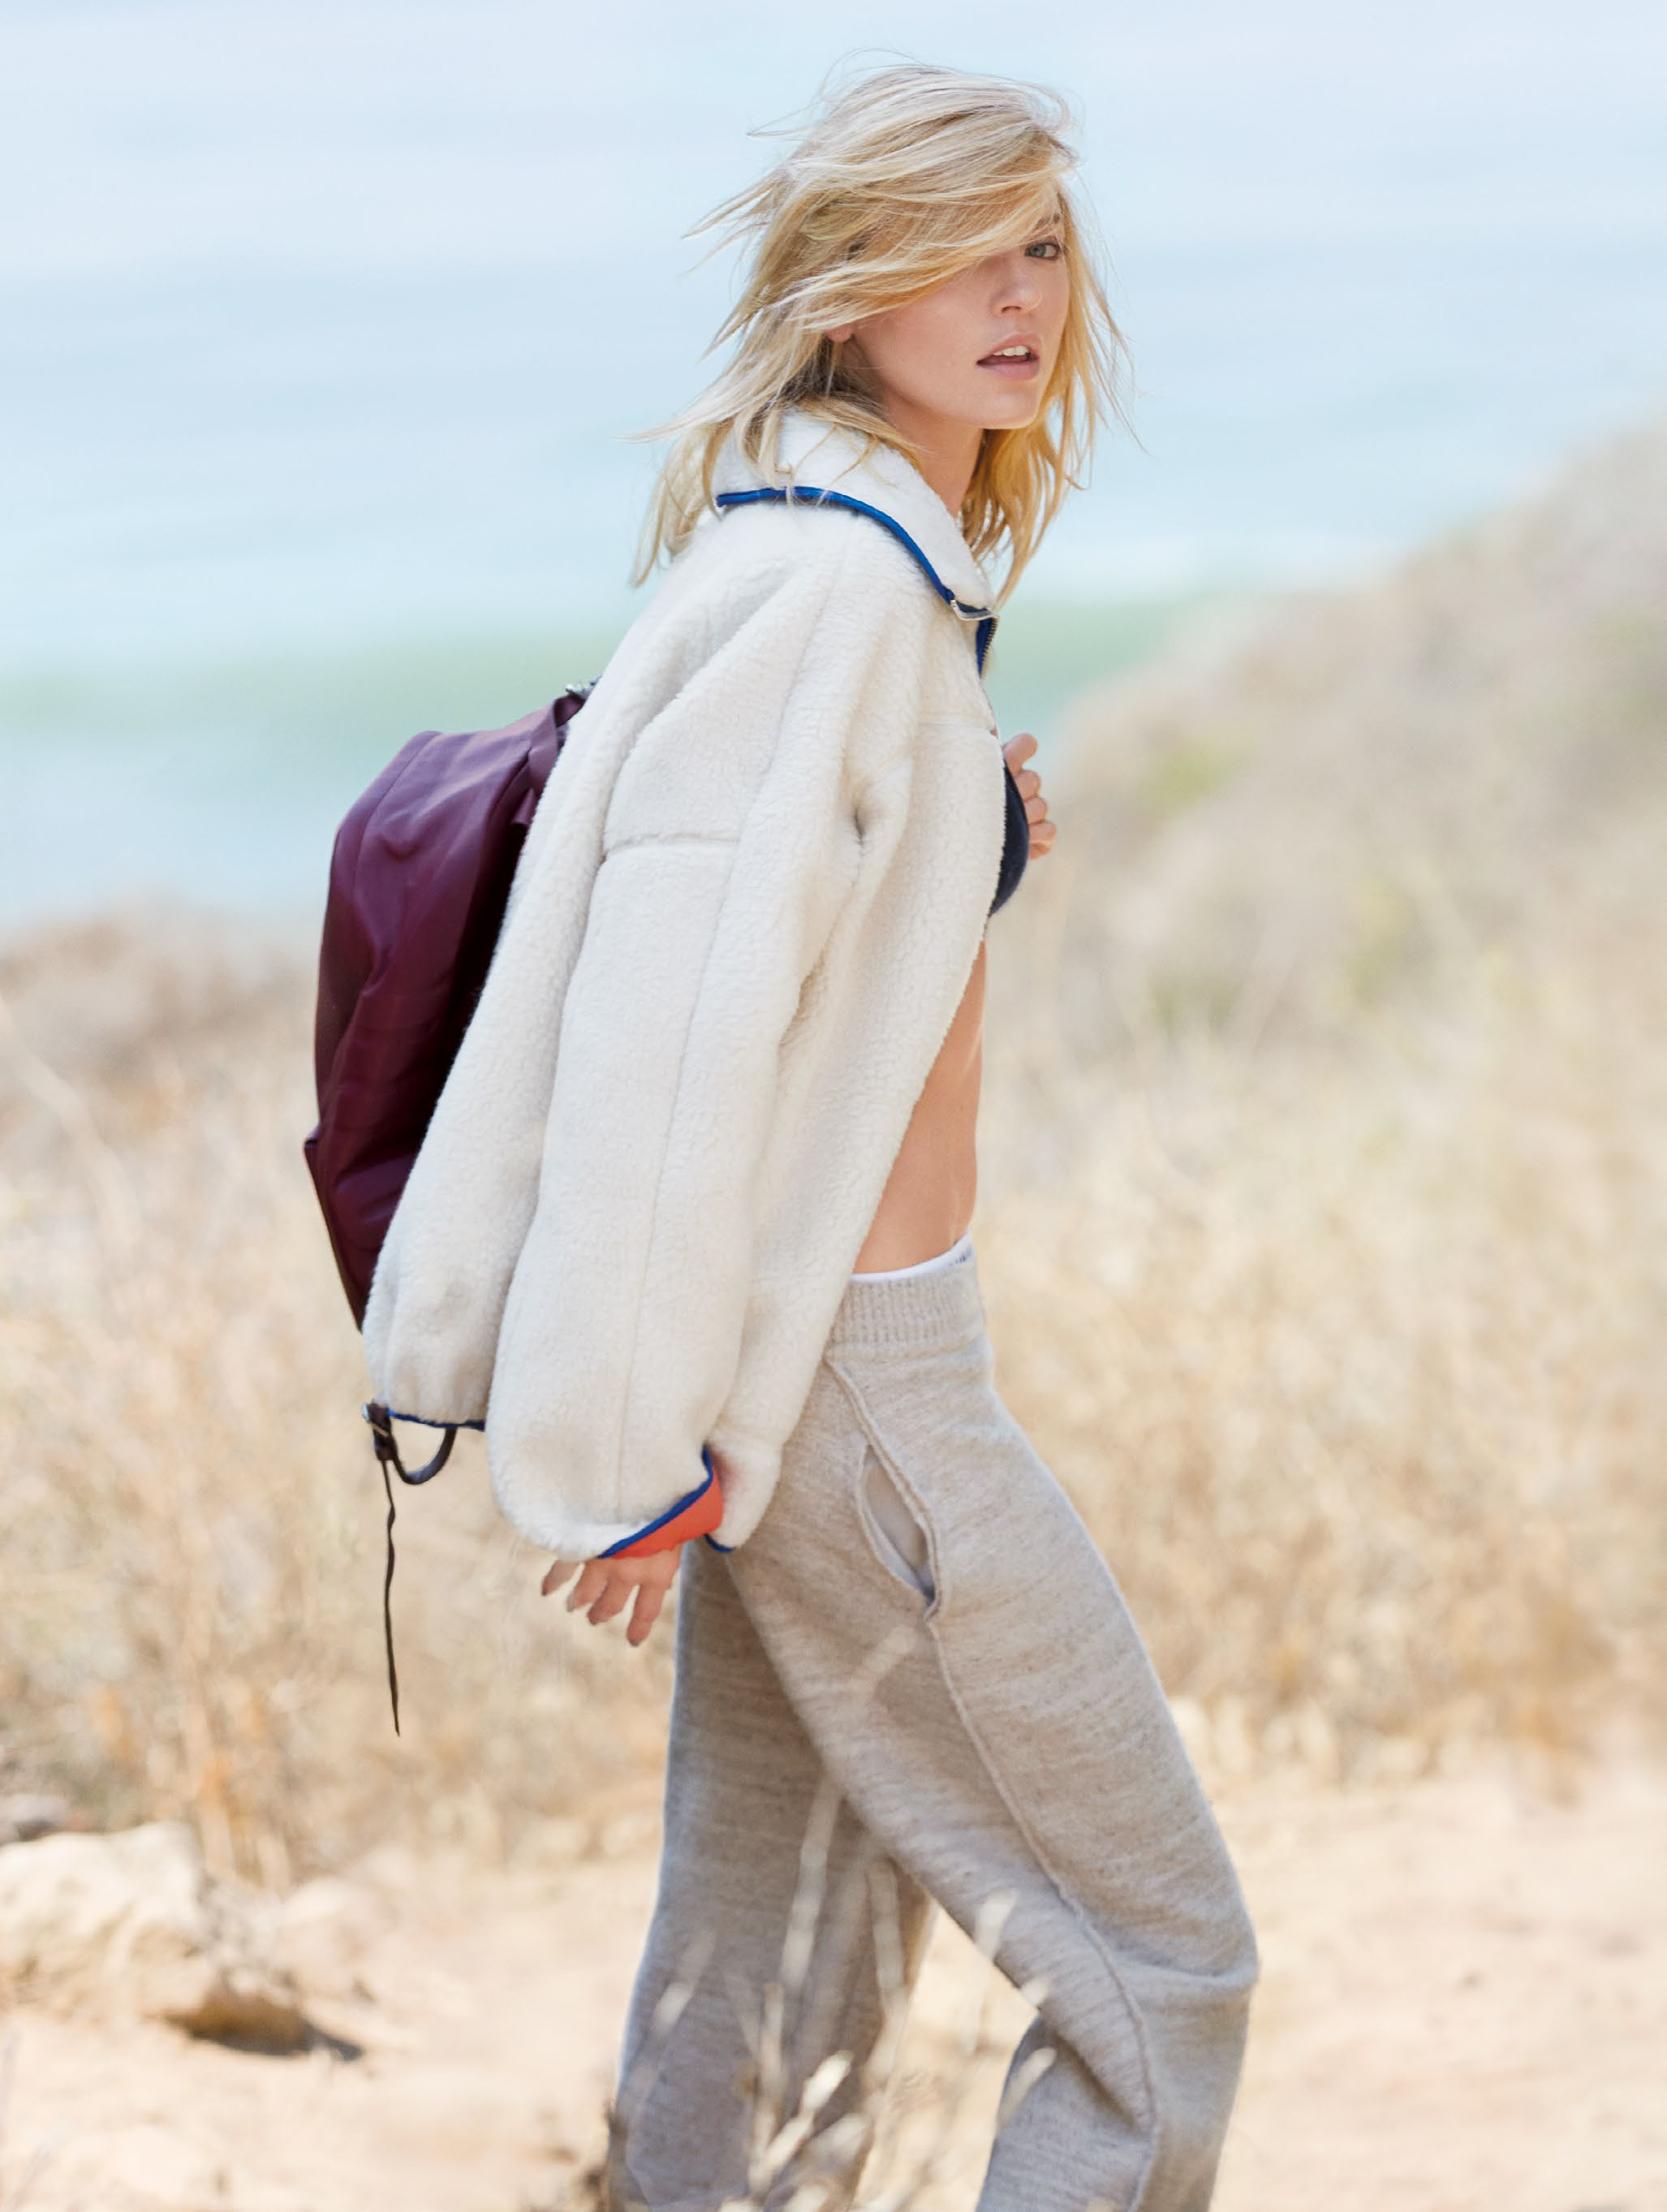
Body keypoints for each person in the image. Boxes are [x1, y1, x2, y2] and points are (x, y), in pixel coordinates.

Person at [363, 56, 1258, 2212]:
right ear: (849, 289)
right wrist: (622, 1439)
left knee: (770, 1964)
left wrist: (965, 850)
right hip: (866, 1397)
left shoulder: (833, 567)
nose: (1019, 293)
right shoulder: (835, 599)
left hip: (820, 1377)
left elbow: (788, 973)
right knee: (1163, 1967)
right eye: (958, 248)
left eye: (1042, 240)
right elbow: (664, 1052)